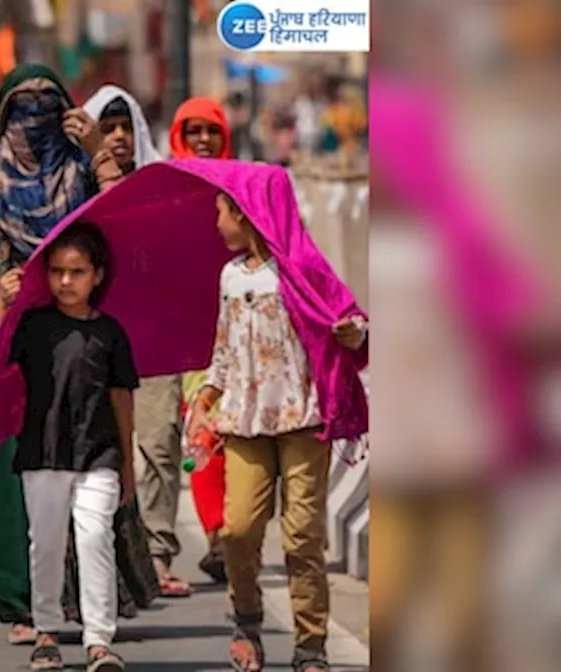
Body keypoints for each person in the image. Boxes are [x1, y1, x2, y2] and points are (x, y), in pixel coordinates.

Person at [0, 65, 127, 644]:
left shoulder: (83, 176)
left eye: (47, 105)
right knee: (7, 468)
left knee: (81, 464)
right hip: (1, 338)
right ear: (3, 113)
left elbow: (121, 219)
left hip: (75, 341)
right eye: (22, 106)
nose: (33, 118)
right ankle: (21, 605)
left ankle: (82, 600)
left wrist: (96, 151)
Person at [186, 173, 367, 672]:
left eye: (222, 212)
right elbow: (222, 350)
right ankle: (247, 618)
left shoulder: (304, 270)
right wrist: (206, 396)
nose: (217, 223)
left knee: (302, 535)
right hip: (243, 421)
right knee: (239, 527)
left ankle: (311, 644)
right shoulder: (229, 277)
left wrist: (352, 335)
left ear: (244, 214)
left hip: (302, 419)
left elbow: (352, 321)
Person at [9, 223, 135, 672]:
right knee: (44, 543)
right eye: (58, 271)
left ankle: (99, 640)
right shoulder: (30, 324)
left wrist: (128, 466)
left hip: (99, 453)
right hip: (42, 453)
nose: (66, 281)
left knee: (95, 538)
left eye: (77, 271)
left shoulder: (111, 334)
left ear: (97, 275)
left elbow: (122, 398)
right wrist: (4, 306)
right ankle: (46, 630)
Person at [167, 95, 235, 590]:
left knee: (244, 438)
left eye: (210, 131)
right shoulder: (164, 188)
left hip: (246, 332)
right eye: (193, 132)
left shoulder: (246, 186)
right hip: (191, 335)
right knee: (203, 437)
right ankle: (217, 536)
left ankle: (238, 532)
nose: (203, 141)